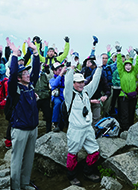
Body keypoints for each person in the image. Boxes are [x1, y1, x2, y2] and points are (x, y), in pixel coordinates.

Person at [64, 54, 103, 187]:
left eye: (82, 82)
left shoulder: (86, 92)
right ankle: (72, 176)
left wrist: (99, 67)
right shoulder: (69, 94)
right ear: (74, 83)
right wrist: (72, 67)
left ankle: (87, 172)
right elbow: (67, 82)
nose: (81, 84)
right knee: (73, 154)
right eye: (78, 82)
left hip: (87, 128)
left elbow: (95, 82)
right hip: (76, 130)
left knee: (94, 151)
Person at [7, 38, 40, 190]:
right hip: (20, 129)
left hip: (33, 128)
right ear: (19, 77)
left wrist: (35, 52)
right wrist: (14, 54)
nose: (28, 74)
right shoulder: (15, 89)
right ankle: (15, 187)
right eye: (24, 73)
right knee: (17, 160)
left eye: (27, 72)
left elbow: (37, 70)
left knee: (28, 159)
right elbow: (13, 74)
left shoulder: (30, 86)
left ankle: (25, 183)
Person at [116, 45, 138, 131]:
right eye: (126, 65)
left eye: (129, 65)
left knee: (131, 112)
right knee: (124, 113)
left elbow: (137, 65)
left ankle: (130, 128)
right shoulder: (121, 72)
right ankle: (124, 129)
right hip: (124, 96)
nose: (128, 67)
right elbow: (119, 63)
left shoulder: (134, 72)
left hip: (133, 96)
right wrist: (118, 52)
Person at [49, 62, 65, 132]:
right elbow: (54, 85)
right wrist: (60, 75)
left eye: (61, 69)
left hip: (64, 96)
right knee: (58, 103)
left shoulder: (65, 78)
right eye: (59, 70)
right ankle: (54, 123)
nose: (61, 71)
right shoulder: (52, 79)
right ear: (54, 71)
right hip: (57, 96)